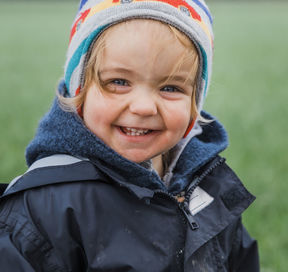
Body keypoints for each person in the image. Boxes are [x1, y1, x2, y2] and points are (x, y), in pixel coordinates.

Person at [0, 0, 259, 271]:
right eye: (119, 82)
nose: (143, 107)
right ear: (79, 89)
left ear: (195, 101)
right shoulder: (45, 208)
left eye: (170, 87)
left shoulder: (206, 185)